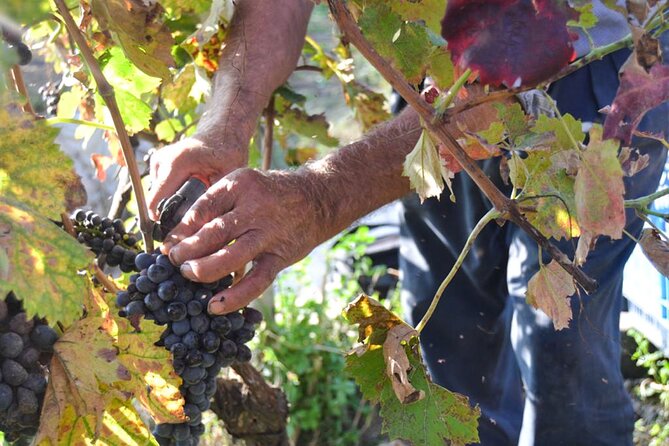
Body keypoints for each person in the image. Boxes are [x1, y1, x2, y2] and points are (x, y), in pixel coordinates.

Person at [148, 1, 669, 444]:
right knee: (452, 324)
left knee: (559, 344)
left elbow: (489, 95)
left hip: (602, 70)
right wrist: (225, 124)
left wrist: (319, 199)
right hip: (437, 67)